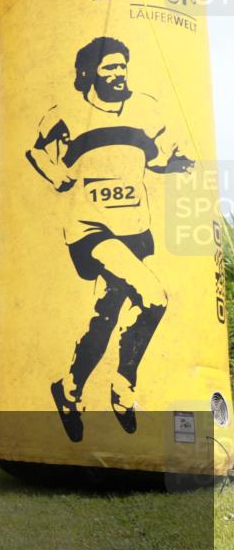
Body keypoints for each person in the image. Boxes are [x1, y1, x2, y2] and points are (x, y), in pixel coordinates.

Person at [25, 36, 193, 442]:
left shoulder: (146, 109)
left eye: (122, 67)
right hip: (90, 229)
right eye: (109, 68)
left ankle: (69, 389)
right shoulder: (67, 111)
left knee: (104, 319)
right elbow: (36, 150)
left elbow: (156, 159)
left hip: (135, 228)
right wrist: (56, 175)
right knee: (154, 296)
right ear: (89, 73)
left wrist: (178, 166)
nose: (118, 75)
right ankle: (123, 385)